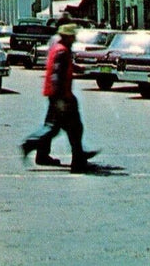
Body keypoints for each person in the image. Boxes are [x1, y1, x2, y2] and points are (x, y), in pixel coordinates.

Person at [20, 23, 99, 173]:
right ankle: (78, 161)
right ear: (67, 37)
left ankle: (76, 157)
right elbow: (57, 74)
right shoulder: (62, 51)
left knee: (55, 127)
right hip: (61, 95)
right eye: (72, 36)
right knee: (69, 129)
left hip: (57, 94)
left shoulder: (58, 49)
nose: (74, 38)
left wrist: (76, 68)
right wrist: (60, 99)